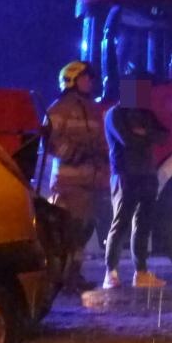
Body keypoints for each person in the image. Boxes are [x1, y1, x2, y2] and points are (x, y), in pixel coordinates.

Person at [40, 61, 107, 290]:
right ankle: (61, 278)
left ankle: (73, 275)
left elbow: (100, 143)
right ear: (71, 80)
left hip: (90, 182)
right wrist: (75, 153)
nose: (90, 82)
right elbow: (49, 140)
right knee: (67, 232)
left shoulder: (92, 109)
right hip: (69, 183)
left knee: (83, 231)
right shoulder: (59, 108)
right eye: (85, 78)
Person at [102, 73, 169, 289]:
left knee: (143, 225)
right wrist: (147, 135)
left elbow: (164, 135)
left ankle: (141, 273)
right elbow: (127, 140)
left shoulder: (145, 114)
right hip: (125, 175)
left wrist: (143, 133)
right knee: (120, 223)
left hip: (147, 174)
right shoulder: (114, 114)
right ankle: (110, 273)